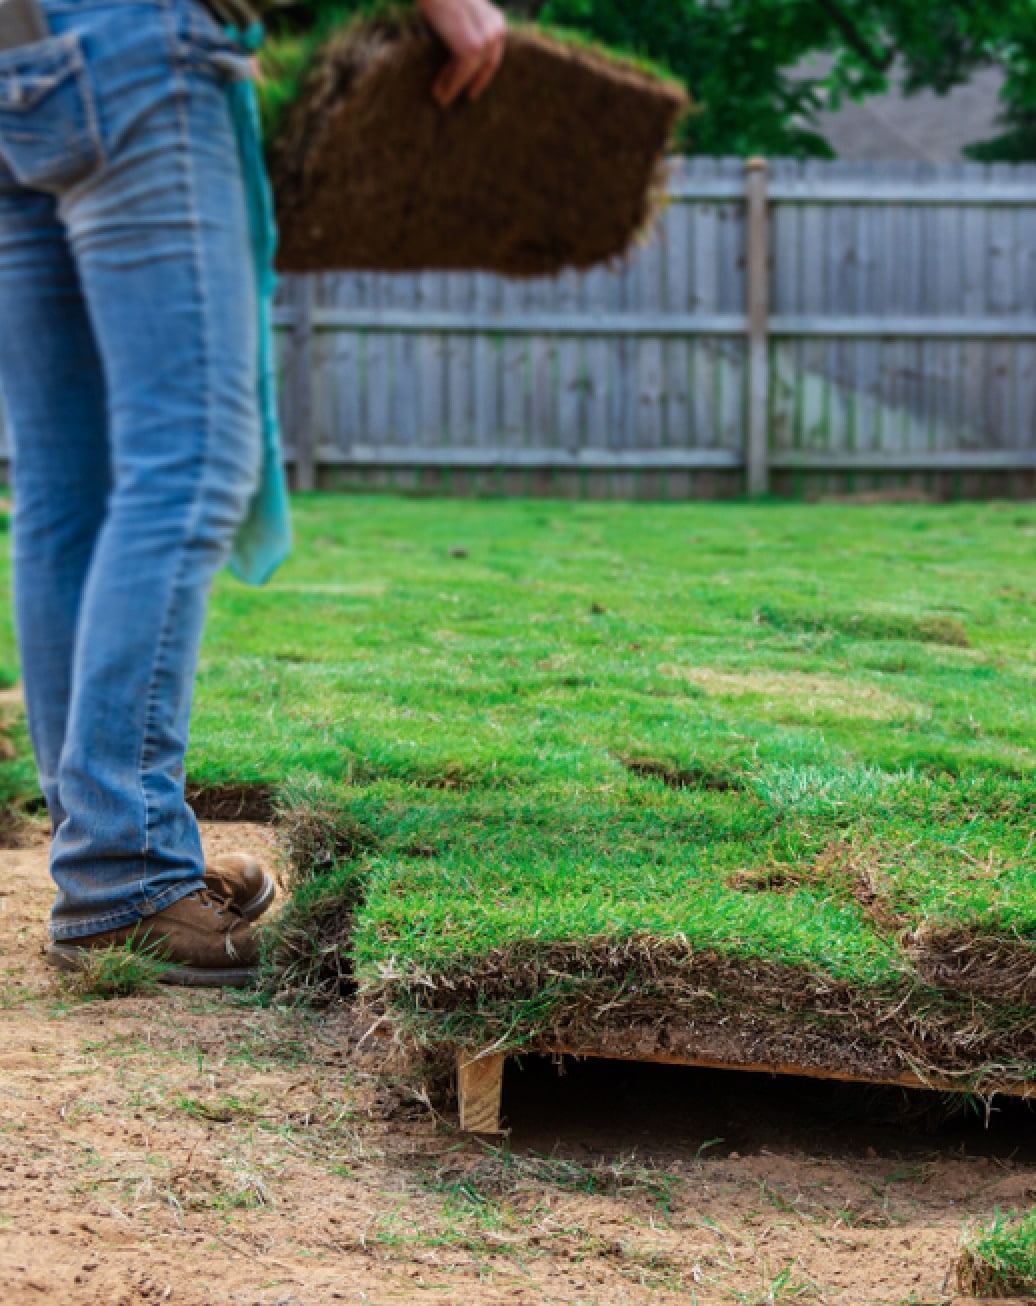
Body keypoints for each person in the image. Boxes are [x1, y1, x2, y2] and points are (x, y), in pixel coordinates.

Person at [0, 0, 506, 986]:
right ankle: (126, 878)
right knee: (188, 462)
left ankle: (113, 855)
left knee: (75, 479)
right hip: (128, 43)